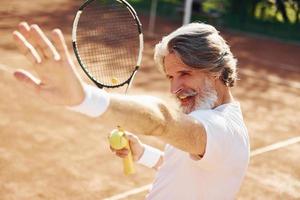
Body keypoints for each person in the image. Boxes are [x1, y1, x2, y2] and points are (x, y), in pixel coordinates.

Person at [12, 21, 249, 199]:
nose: (175, 88)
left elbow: (162, 121)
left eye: (185, 73)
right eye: (170, 77)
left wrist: (84, 98)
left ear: (215, 69)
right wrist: (142, 153)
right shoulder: (213, 126)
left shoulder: (221, 129)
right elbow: (182, 170)